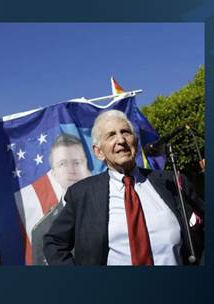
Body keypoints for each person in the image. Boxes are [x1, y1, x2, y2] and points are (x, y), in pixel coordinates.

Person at [43, 110, 204, 265]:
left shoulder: (172, 182)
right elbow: (54, 243)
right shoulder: (81, 194)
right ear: (99, 152)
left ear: (136, 141)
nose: (121, 140)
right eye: (111, 135)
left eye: (126, 132)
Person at [31, 133, 91, 265]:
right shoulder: (41, 230)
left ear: (87, 166)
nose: (71, 170)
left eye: (77, 162)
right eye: (62, 164)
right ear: (54, 174)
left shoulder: (113, 209)